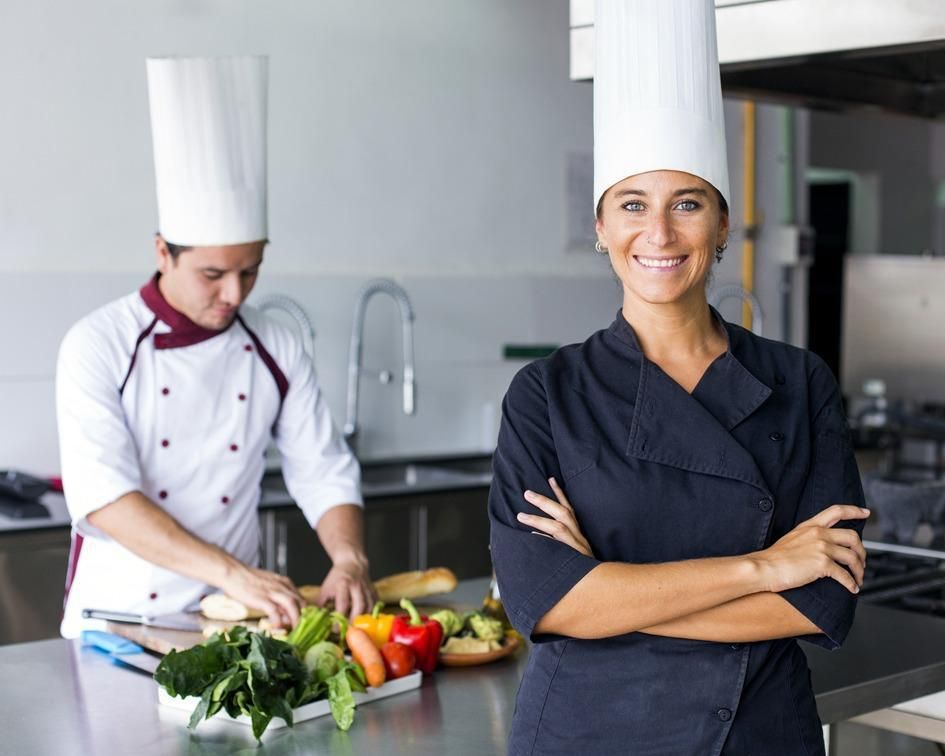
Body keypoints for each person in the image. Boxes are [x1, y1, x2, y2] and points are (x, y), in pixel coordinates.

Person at [487, 2, 868, 754]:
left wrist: (605, 588)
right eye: (632, 205)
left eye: (685, 205)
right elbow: (538, 598)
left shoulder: (798, 380)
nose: (657, 235)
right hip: (588, 732)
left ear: (722, 225)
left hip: (757, 732)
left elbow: (822, 601)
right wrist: (762, 567)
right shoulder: (547, 394)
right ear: (601, 228)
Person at [57, 57, 372, 639]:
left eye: (250, 272)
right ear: (162, 252)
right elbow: (106, 499)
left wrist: (349, 557)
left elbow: (323, 470)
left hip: (233, 621)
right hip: (119, 623)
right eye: (212, 274)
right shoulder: (97, 344)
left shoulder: (275, 345)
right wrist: (235, 573)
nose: (234, 294)